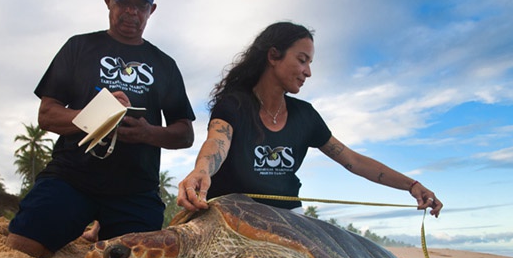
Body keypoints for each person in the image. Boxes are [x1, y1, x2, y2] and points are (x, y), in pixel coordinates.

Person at [7, 0, 196, 258]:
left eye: (141, 6)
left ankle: (97, 230)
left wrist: (149, 133)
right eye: (124, 3)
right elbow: (46, 115)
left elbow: (185, 133)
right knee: (23, 248)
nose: (132, 12)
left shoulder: (165, 65)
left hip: (135, 190)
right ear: (108, 0)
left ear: (152, 9)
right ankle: (84, 224)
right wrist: (96, 115)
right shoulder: (79, 47)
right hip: (71, 177)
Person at [177, 21, 442, 217]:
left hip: (289, 219)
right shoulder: (233, 105)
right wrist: (201, 171)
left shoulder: (306, 116)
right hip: (230, 216)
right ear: (272, 56)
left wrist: (412, 185)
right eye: (302, 60)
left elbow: (354, 161)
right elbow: (216, 143)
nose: (308, 72)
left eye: (310, 62)